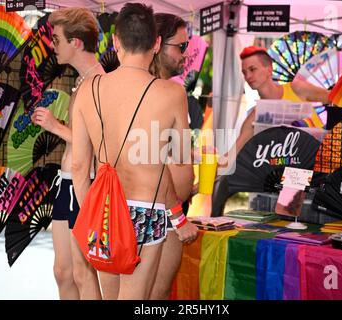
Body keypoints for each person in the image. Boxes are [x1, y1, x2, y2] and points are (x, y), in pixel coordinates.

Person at [71, 3, 197, 300]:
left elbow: (79, 167)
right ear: (155, 44)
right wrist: (179, 217)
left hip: (102, 209)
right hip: (146, 210)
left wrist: (92, 214)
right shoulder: (171, 94)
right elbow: (179, 162)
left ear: (115, 42)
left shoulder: (87, 89)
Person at [31, 7, 105, 300]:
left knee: (82, 273)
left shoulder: (98, 82)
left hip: (82, 183)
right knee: (63, 271)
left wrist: (55, 126)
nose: (53, 45)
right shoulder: (81, 81)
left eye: (58, 39)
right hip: (67, 182)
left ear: (76, 43)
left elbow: (101, 144)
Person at [148, 13, 199, 300]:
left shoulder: (166, 90)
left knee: (159, 291)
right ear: (157, 44)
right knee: (151, 294)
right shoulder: (160, 92)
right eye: (180, 46)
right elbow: (150, 161)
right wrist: (178, 217)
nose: (186, 53)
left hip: (170, 206)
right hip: (161, 209)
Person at [222, 46, 331, 164]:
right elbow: (234, 152)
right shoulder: (256, 115)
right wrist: (210, 171)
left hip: (320, 160)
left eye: (252, 69)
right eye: (244, 72)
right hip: (288, 172)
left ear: (269, 69)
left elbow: (336, 98)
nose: (248, 76)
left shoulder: (296, 89)